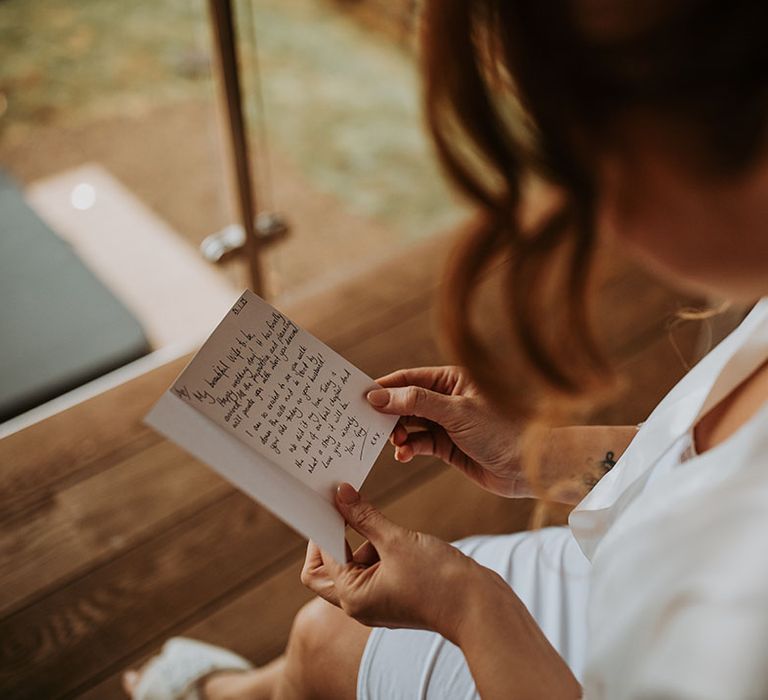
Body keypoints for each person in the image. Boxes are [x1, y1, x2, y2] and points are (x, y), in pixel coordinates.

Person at [123, 1, 768, 698]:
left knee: (329, 644)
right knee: (321, 634)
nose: (588, 210)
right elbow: (707, 466)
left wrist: (467, 605)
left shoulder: (738, 625)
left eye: (583, 158)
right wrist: (535, 455)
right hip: (633, 562)